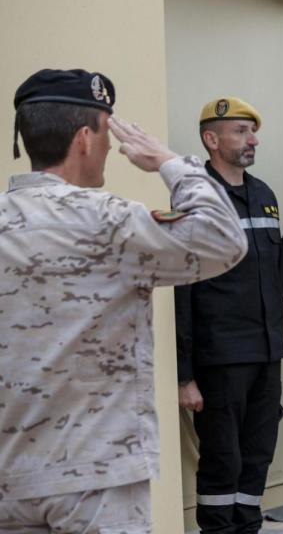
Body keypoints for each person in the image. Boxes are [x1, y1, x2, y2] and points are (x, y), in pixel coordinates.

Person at [0, 69, 246, 532]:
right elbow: (224, 240)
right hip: (96, 479)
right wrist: (171, 164)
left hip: (10, 478)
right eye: (105, 131)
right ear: (85, 139)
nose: (112, 146)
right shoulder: (107, 222)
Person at [176, 97, 283, 533]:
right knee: (223, 459)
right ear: (211, 139)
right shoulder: (196, 198)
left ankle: (247, 526)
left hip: (266, 351)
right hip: (220, 356)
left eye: (251, 131)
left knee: (258, 454)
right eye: (240, 131)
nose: (252, 139)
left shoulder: (264, 196)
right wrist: (185, 376)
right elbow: (181, 291)